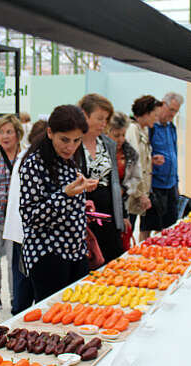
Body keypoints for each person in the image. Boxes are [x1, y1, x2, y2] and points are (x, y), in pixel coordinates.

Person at [19, 105, 98, 301]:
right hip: (47, 253)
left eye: (76, 140)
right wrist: (65, 195)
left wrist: (82, 198)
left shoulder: (70, 162)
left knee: (77, 312)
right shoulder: (33, 165)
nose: (70, 147)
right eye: (64, 139)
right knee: (53, 317)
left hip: (76, 251)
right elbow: (31, 217)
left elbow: (69, 204)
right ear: (50, 132)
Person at [2, 118, 49, 314]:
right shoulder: (34, 161)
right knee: (26, 280)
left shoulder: (24, 157)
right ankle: (21, 313)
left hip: (23, 231)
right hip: (29, 232)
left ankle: (19, 312)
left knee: (22, 277)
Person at [77, 93, 126, 263]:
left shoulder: (107, 143)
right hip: (84, 219)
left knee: (113, 263)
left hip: (109, 217)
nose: (103, 124)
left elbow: (115, 183)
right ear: (84, 115)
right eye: (99, 118)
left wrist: (123, 215)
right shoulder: (74, 144)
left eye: (106, 119)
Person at [0, 114, 24, 309]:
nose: (5, 136)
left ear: (17, 134)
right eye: (1, 132)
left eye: (9, 131)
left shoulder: (24, 155)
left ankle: (15, 299)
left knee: (14, 262)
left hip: (15, 219)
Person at [125, 95, 162, 241]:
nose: (156, 118)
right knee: (127, 232)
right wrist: (140, 194)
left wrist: (151, 160)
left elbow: (140, 159)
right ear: (146, 113)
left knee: (133, 229)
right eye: (155, 114)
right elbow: (132, 163)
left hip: (139, 191)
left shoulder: (143, 130)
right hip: (131, 193)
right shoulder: (132, 130)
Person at [149, 92, 184, 233]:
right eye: (171, 110)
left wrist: (176, 183)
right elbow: (145, 154)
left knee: (170, 224)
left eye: (176, 111)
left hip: (170, 184)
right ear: (163, 105)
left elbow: (174, 154)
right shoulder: (151, 128)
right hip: (155, 184)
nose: (173, 114)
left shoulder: (171, 128)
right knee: (151, 225)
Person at [106, 111, 141, 249]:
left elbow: (136, 177)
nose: (120, 139)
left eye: (123, 135)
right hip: (105, 204)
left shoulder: (130, 153)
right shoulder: (101, 152)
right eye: (116, 135)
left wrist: (125, 189)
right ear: (107, 132)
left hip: (123, 203)